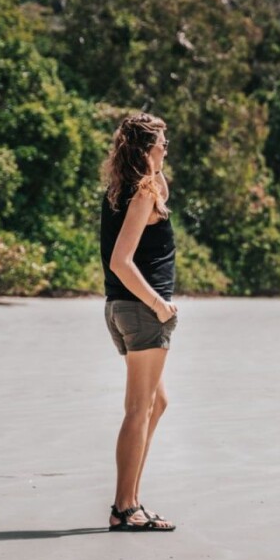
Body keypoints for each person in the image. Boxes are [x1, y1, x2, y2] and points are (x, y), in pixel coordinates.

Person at [101, 113, 179, 532]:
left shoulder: (124, 189)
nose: (166, 148)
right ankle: (125, 508)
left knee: (156, 403)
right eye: (162, 142)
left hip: (121, 308)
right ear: (146, 148)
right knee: (138, 409)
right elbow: (121, 260)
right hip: (141, 310)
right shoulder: (143, 193)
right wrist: (158, 304)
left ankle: (130, 500)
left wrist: (156, 175)